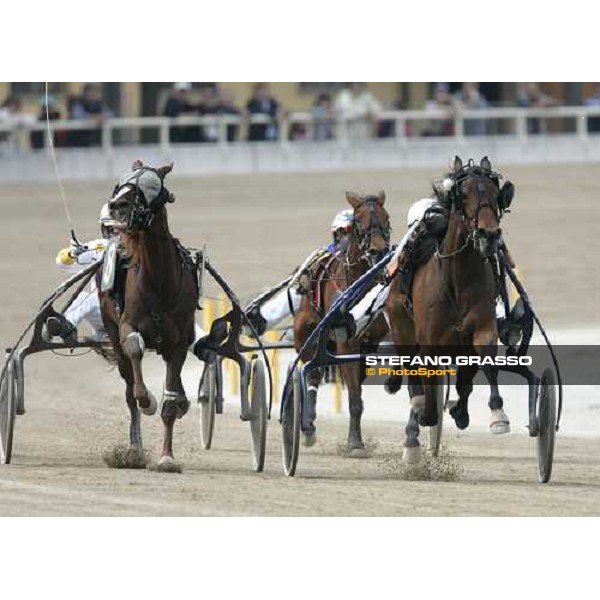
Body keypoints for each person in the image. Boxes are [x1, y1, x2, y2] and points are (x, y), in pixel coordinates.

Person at [45, 203, 224, 361]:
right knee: (87, 298)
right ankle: (66, 326)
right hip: (106, 315)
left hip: (140, 316)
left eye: (122, 230)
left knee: (175, 314)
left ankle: (202, 344)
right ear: (104, 229)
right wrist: (72, 253)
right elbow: (61, 262)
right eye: (112, 230)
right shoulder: (100, 247)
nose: (118, 235)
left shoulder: (144, 251)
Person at [244, 209, 354, 335]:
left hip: (353, 305)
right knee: (296, 293)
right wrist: (303, 276)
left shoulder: (370, 255)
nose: (347, 237)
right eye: (342, 232)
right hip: (323, 304)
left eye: (351, 232)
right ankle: (260, 320)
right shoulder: (326, 253)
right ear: (336, 235)